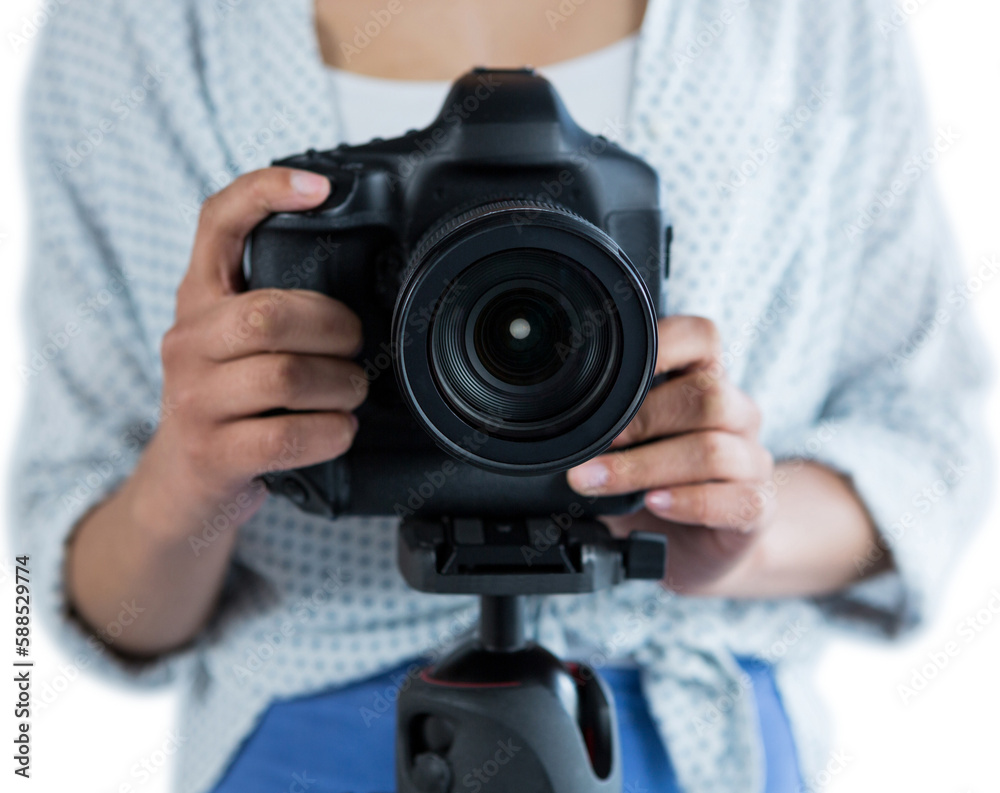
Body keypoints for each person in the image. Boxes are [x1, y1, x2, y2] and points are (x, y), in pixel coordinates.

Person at [10, 1, 990, 791]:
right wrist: (190, 482)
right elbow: (96, 604)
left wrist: (735, 531)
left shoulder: (816, 19)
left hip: (696, 743)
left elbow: (932, 445)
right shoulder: (135, 25)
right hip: (311, 750)